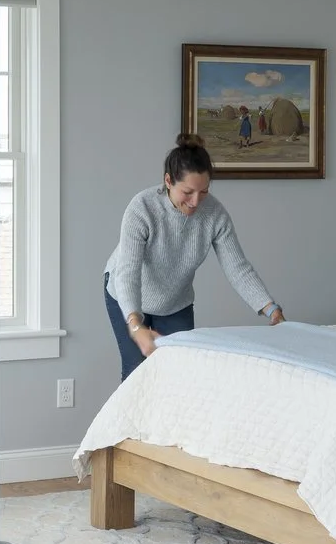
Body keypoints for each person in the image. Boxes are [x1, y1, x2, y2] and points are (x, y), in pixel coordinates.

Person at [104, 133, 284, 378]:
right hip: (127, 296)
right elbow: (128, 273)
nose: (195, 202)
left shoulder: (215, 215)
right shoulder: (142, 209)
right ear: (168, 181)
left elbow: (237, 267)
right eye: (187, 192)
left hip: (175, 302)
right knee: (138, 375)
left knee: (181, 375)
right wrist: (136, 325)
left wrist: (271, 309)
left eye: (204, 192)